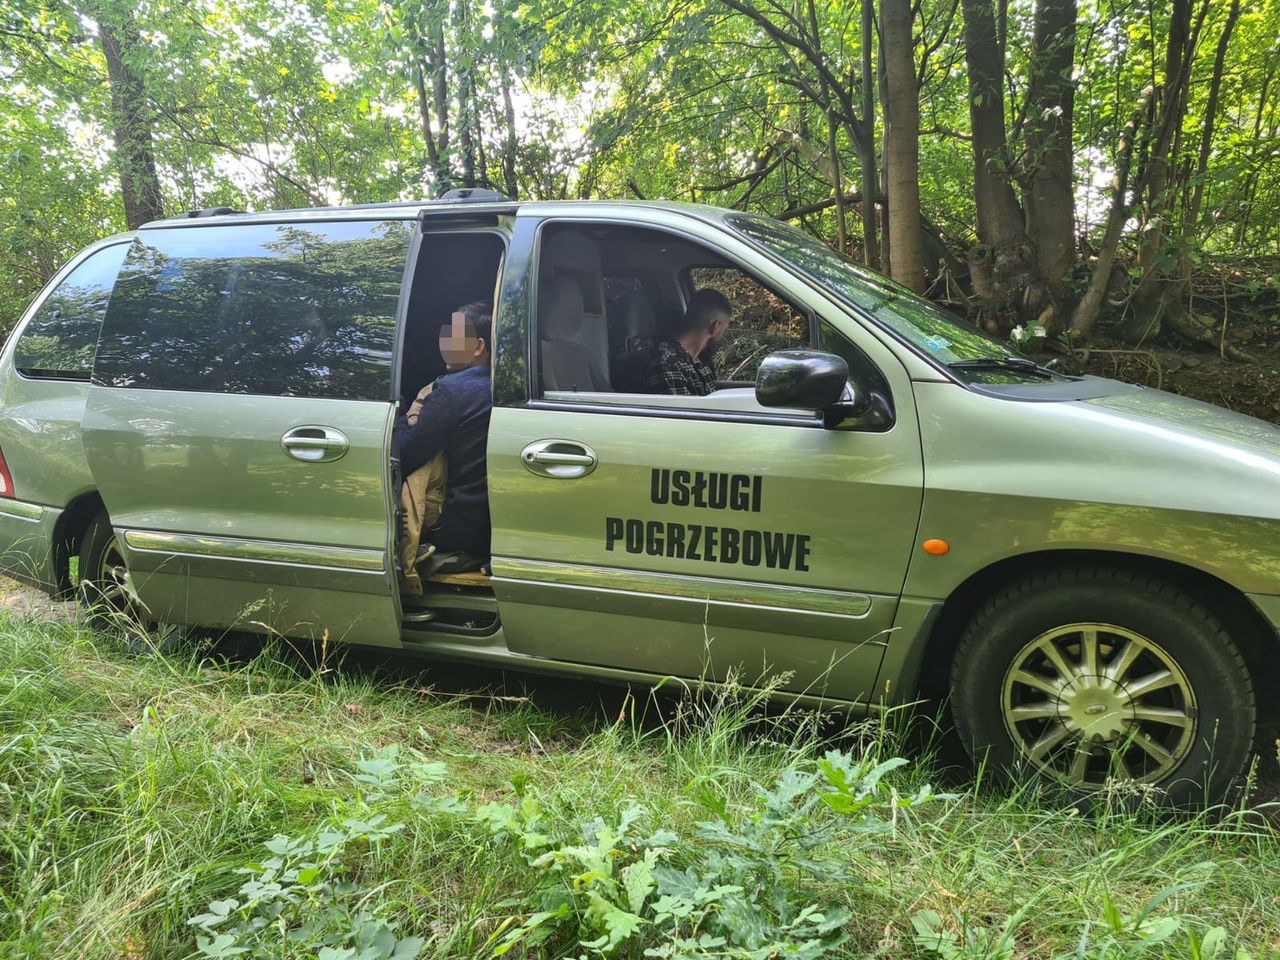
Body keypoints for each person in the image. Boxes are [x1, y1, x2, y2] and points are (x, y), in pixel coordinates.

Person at [397, 302, 493, 579]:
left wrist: (403, 416)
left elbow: (406, 454)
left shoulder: (453, 390)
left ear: (477, 347)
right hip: (487, 526)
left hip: (456, 529)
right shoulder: (500, 386)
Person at [644, 288, 732, 396]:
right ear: (716, 326)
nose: (724, 333)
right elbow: (682, 410)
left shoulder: (698, 364)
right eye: (725, 328)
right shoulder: (666, 363)